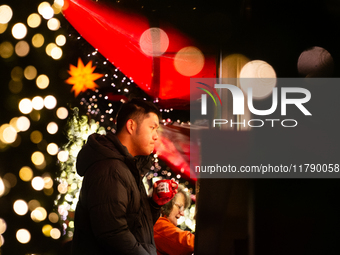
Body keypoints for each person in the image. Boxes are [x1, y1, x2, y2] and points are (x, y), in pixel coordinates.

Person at [72, 98, 178, 255]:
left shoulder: (126, 168)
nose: (156, 136)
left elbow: (134, 225)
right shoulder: (110, 169)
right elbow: (113, 233)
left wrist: (154, 204)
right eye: (152, 127)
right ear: (131, 126)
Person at [153, 185, 195, 255]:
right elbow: (190, 243)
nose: (182, 213)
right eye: (180, 207)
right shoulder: (158, 224)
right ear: (167, 202)